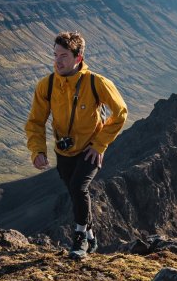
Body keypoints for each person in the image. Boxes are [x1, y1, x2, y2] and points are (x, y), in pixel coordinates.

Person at [25, 31, 128, 259]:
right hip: (63, 151)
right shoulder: (47, 85)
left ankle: (80, 238)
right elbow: (35, 122)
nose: (57, 61)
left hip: (89, 150)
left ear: (78, 58)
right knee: (74, 192)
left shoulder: (96, 83)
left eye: (63, 55)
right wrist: (38, 150)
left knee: (78, 188)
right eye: (55, 55)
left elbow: (120, 112)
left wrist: (100, 144)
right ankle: (91, 237)